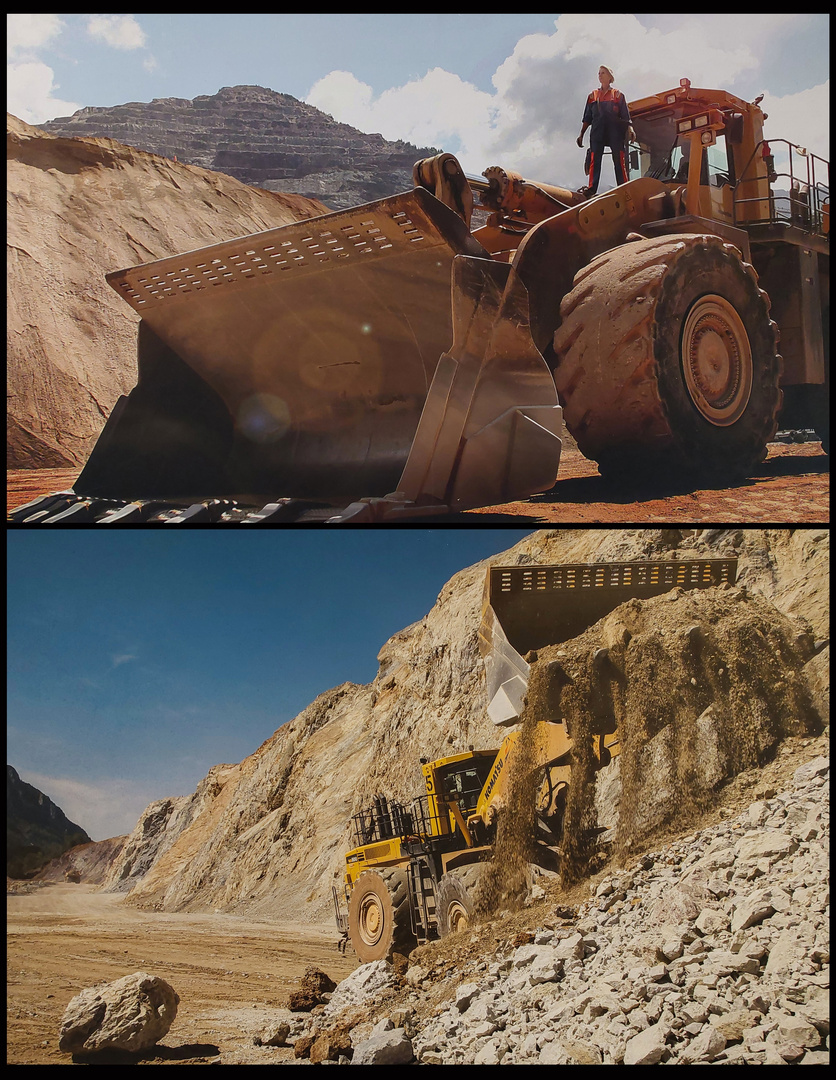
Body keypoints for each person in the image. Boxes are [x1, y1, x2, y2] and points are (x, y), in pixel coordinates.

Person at [577, 65, 633, 197]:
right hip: (597, 131)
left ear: (609, 77)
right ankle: (592, 188)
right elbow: (587, 117)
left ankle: (623, 187)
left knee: (618, 159)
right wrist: (581, 134)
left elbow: (625, 116)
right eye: (599, 73)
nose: (600, 75)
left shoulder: (618, 95)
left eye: (603, 73)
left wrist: (630, 129)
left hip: (615, 131)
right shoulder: (592, 96)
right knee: (594, 158)